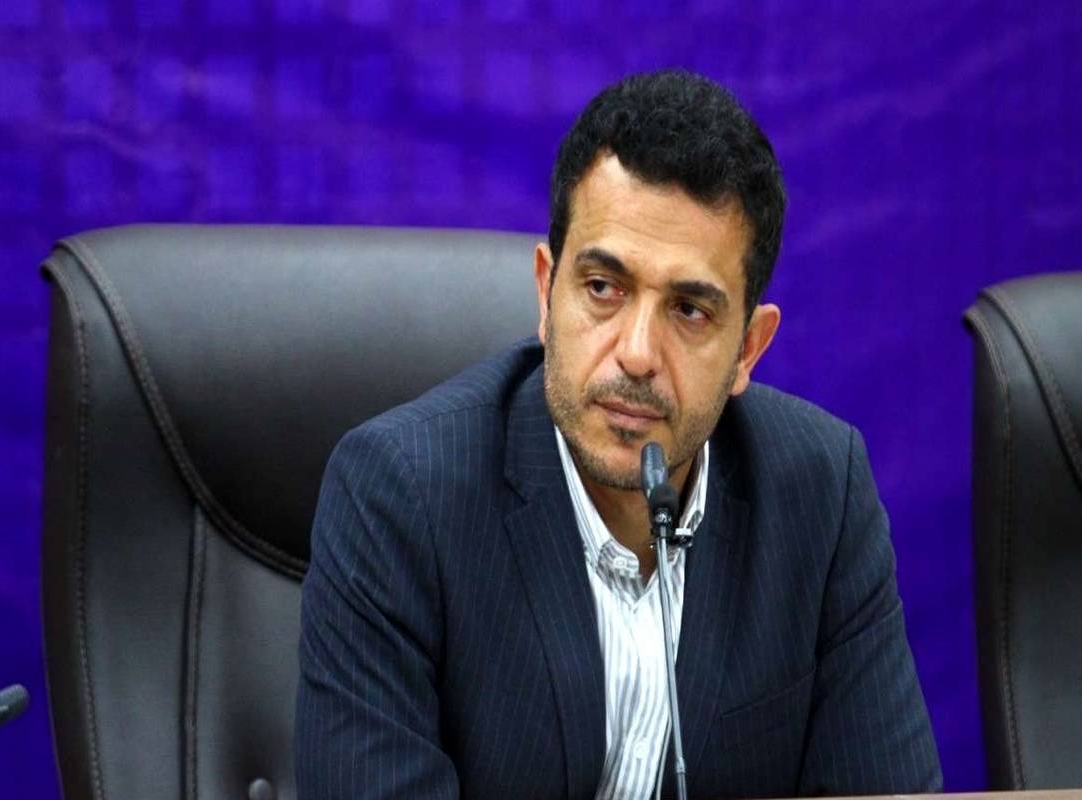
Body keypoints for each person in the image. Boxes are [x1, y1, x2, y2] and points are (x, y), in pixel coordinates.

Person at [296, 69, 942, 799]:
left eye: (689, 311)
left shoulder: (822, 495)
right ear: (547, 293)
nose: (636, 354)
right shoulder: (398, 496)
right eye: (603, 288)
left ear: (748, 349)